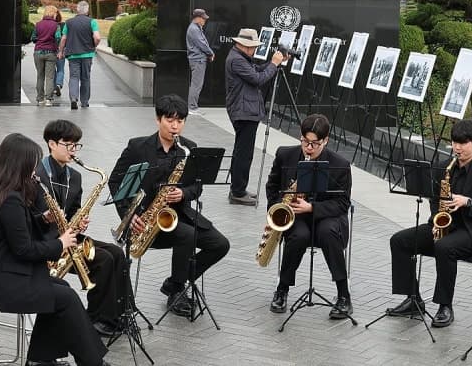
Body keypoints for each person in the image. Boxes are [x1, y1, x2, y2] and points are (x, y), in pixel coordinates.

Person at [0, 133, 109, 366]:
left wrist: (44, 219)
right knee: (65, 297)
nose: (34, 172)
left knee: (61, 288)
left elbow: (14, 230)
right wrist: (61, 244)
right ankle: (91, 362)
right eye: (31, 165)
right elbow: (24, 250)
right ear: (19, 165)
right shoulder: (10, 198)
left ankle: (41, 359)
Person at [108, 94, 230, 318]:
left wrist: (183, 192)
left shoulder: (188, 148)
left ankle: (176, 282)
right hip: (144, 219)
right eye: (170, 120)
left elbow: (197, 186)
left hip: (178, 214)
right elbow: (115, 181)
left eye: (180, 121)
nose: (175, 126)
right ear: (158, 119)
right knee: (186, 234)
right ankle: (176, 292)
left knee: (220, 244)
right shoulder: (138, 147)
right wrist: (129, 213)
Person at [386, 119, 472, 328]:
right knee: (399, 241)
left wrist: (468, 202)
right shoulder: (444, 167)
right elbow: (433, 198)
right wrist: (437, 218)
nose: (457, 148)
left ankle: (444, 306)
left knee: (444, 247)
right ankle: (413, 299)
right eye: (454, 142)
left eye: (463, 143)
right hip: (445, 226)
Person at [33, 119, 130, 337]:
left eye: (76, 145)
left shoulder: (74, 177)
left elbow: (74, 208)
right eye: (68, 145)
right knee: (103, 259)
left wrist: (81, 220)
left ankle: (118, 314)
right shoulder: (36, 175)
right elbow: (27, 215)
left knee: (116, 252)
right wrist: (44, 218)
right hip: (48, 242)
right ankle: (95, 320)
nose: (73, 150)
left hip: (70, 236)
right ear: (52, 144)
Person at [266, 114, 353, 319]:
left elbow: (343, 203)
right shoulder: (285, 155)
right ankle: (282, 289)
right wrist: (278, 208)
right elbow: (272, 186)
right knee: (298, 236)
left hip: (327, 216)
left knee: (329, 232)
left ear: (326, 140)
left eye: (315, 144)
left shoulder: (340, 165)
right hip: (297, 215)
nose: (309, 148)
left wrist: (312, 208)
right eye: (305, 141)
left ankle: (343, 295)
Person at [225, 28, 284, 205]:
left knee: (242, 151)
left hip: (245, 111)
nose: (255, 50)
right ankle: (237, 192)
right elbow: (258, 79)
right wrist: (273, 64)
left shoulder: (239, 57)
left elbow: (257, 70)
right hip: (244, 112)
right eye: (253, 47)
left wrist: (273, 63)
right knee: (244, 153)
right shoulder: (237, 60)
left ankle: (238, 189)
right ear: (245, 46)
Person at [58, 0, 101, 110]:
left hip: (73, 55)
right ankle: (85, 102)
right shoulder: (92, 22)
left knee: (74, 77)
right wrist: (94, 45)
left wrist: (61, 51)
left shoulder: (69, 22)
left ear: (77, 9)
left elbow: (63, 38)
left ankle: (73, 98)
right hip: (87, 54)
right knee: (85, 78)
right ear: (87, 11)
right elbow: (97, 37)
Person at [185, 8, 215, 116]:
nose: (204, 20)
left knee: (196, 84)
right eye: (203, 18)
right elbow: (202, 44)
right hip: (198, 60)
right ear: (197, 18)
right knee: (196, 84)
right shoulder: (194, 29)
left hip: (198, 59)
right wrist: (211, 53)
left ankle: (192, 107)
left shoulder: (196, 28)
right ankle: (192, 108)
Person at [32, 5, 61, 106]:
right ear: (53, 13)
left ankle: (40, 99)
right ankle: (48, 99)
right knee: (50, 77)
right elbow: (58, 38)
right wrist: (57, 48)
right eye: (56, 13)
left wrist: (40, 40)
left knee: (40, 76)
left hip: (38, 52)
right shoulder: (56, 25)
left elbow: (33, 38)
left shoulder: (38, 24)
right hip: (50, 53)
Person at [53, 10, 65, 97]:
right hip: (61, 49)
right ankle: (58, 84)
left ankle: (54, 87)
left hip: (51, 49)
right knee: (60, 69)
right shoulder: (63, 25)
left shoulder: (48, 24)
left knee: (52, 69)